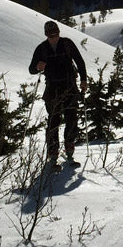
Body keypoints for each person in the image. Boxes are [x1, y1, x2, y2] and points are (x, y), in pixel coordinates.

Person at [29, 20, 88, 166]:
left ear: (59, 33)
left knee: (71, 119)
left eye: (55, 34)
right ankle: (53, 153)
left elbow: (80, 62)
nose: (54, 38)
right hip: (53, 90)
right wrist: (37, 67)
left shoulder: (67, 44)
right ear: (46, 35)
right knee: (53, 121)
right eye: (51, 35)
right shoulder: (41, 49)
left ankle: (69, 149)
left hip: (69, 87)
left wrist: (84, 80)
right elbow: (31, 69)